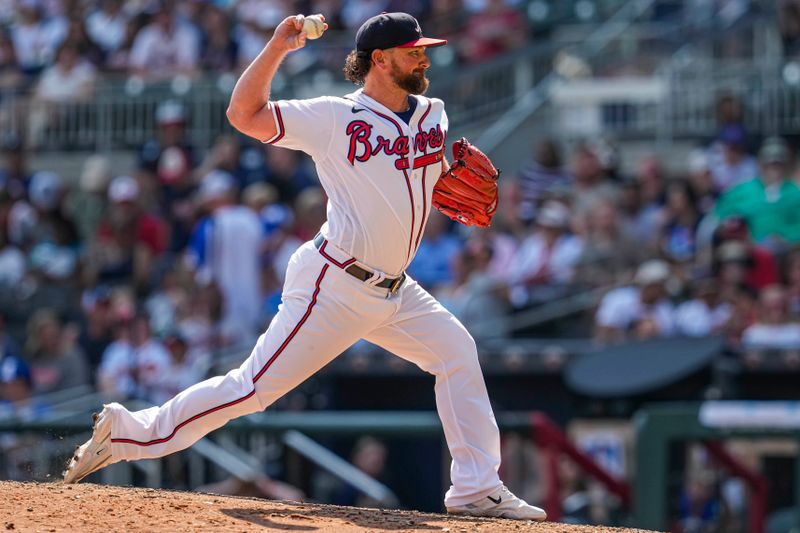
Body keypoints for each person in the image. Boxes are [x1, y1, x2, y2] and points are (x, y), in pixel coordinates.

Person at [63, 12, 546, 521]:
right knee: (252, 388)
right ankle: (130, 432)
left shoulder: (434, 114)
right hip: (334, 284)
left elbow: (414, 180)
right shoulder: (332, 117)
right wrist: (276, 49)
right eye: (413, 50)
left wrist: (447, 178)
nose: (424, 57)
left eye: (423, 48)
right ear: (379, 60)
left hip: (396, 290)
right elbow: (244, 115)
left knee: (456, 352)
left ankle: (476, 489)